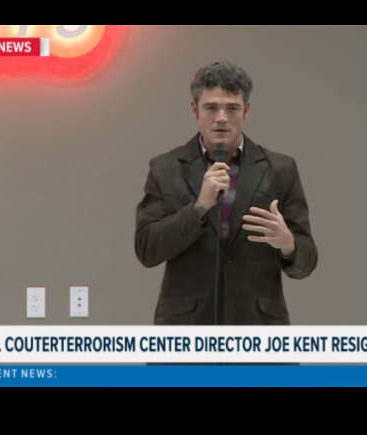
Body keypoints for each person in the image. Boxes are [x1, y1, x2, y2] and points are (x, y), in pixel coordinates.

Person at [135, 61, 317, 327]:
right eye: (211, 108)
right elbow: (147, 249)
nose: (221, 117)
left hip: (258, 327)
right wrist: (198, 208)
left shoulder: (280, 169)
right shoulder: (165, 169)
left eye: (232, 108)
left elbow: (307, 260)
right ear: (195, 109)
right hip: (186, 328)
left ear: (246, 111)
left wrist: (288, 243)